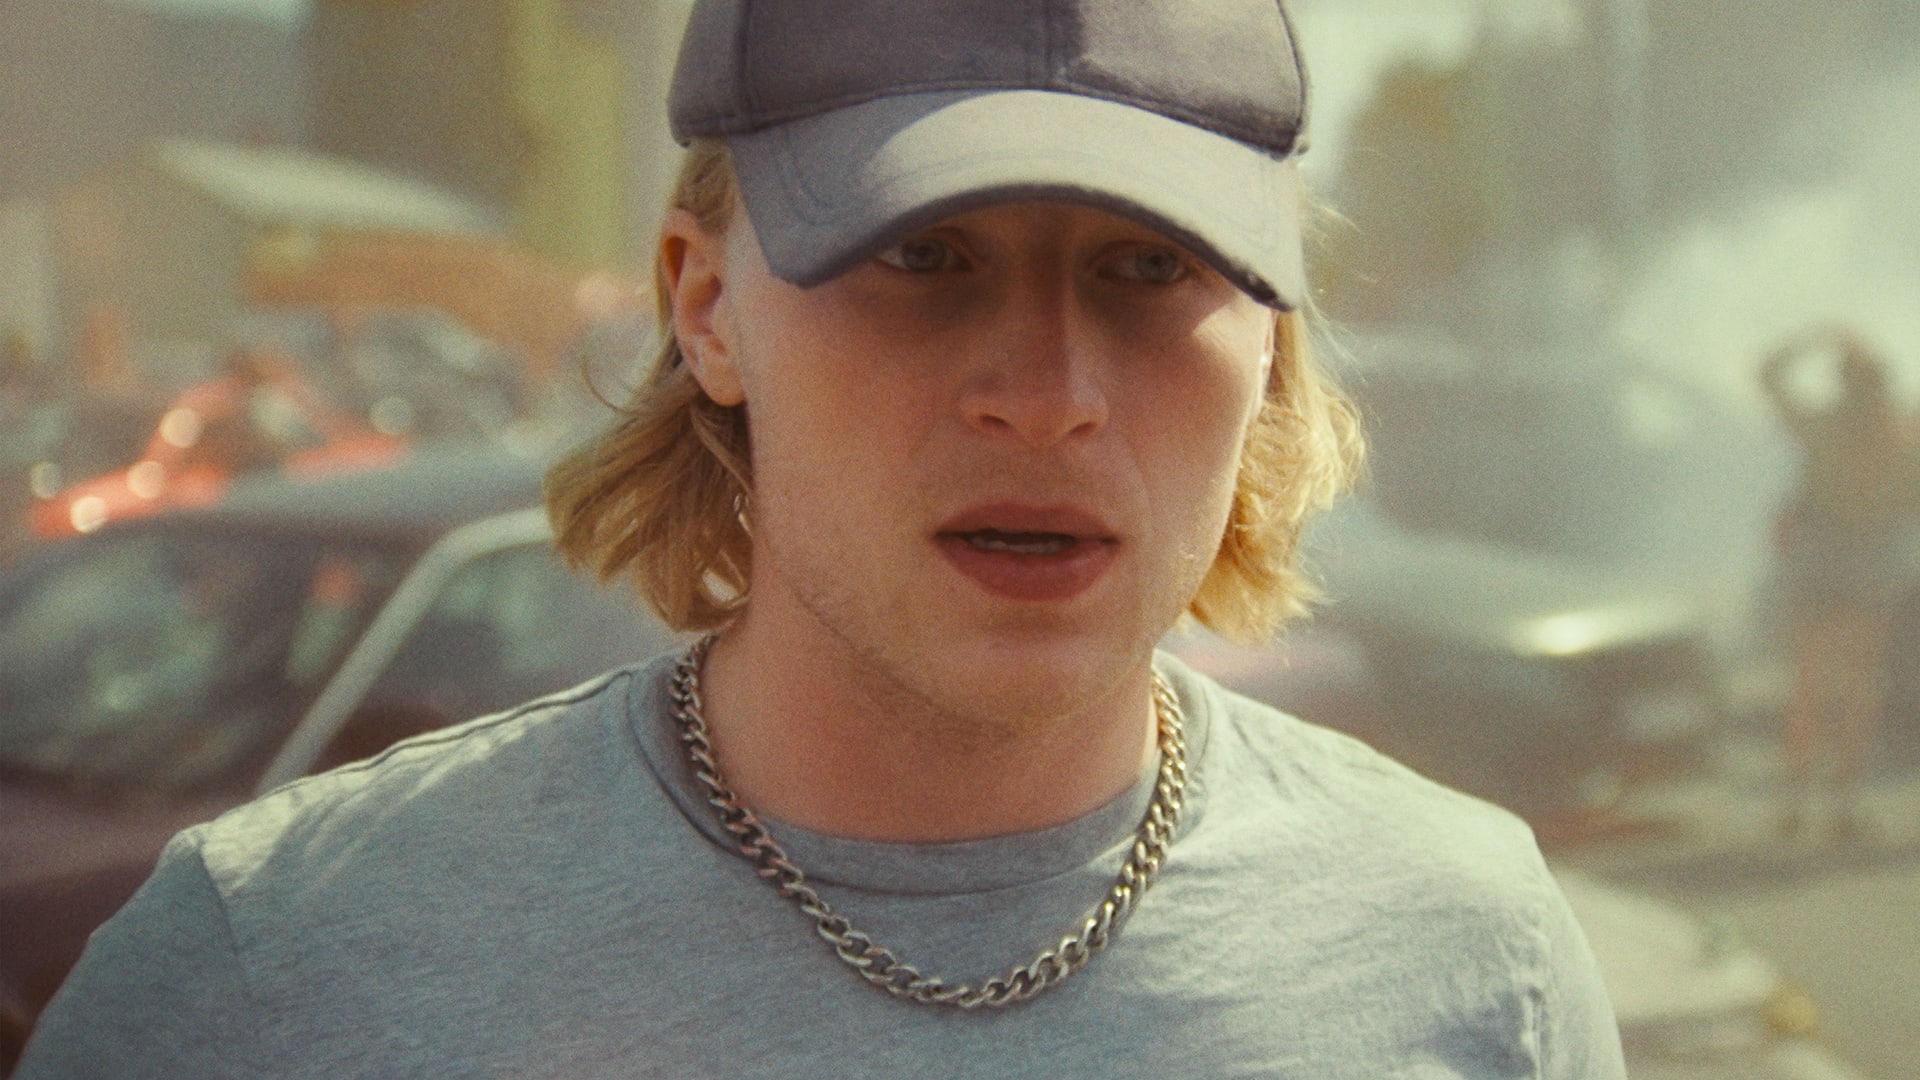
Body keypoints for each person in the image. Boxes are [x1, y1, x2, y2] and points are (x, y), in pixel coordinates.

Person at [17, 2, 1626, 1075]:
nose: (1047, 399)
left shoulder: (1467, 952)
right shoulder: (276, 969)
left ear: (1270, 338)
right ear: (705, 305)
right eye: (925, 255)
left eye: (1150, 269)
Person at [1760, 325, 1917, 838]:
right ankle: (1839, 802)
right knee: (1857, 683)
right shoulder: (1903, 434)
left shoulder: (1824, 427)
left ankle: (1796, 798)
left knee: (1811, 682)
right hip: (1868, 564)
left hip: (1824, 561)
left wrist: (1817, 337)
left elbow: (1767, 375)